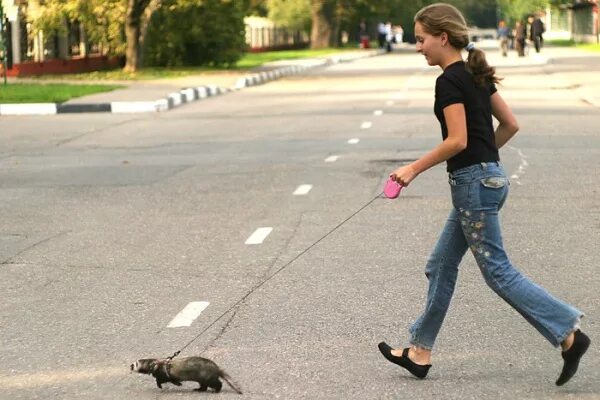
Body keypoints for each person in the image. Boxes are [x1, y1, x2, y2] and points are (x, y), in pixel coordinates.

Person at [377, 3, 590, 386]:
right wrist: (485, 159)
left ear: (442, 38)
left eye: (421, 39)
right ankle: (419, 351)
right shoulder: (474, 74)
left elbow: (457, 141)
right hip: (487, 179)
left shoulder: (449, 81)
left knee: (498, 273)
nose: (417, 47)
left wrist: (411, 169)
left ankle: (568, 333)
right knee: (441, 264)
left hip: (474, 186)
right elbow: (510, 125)